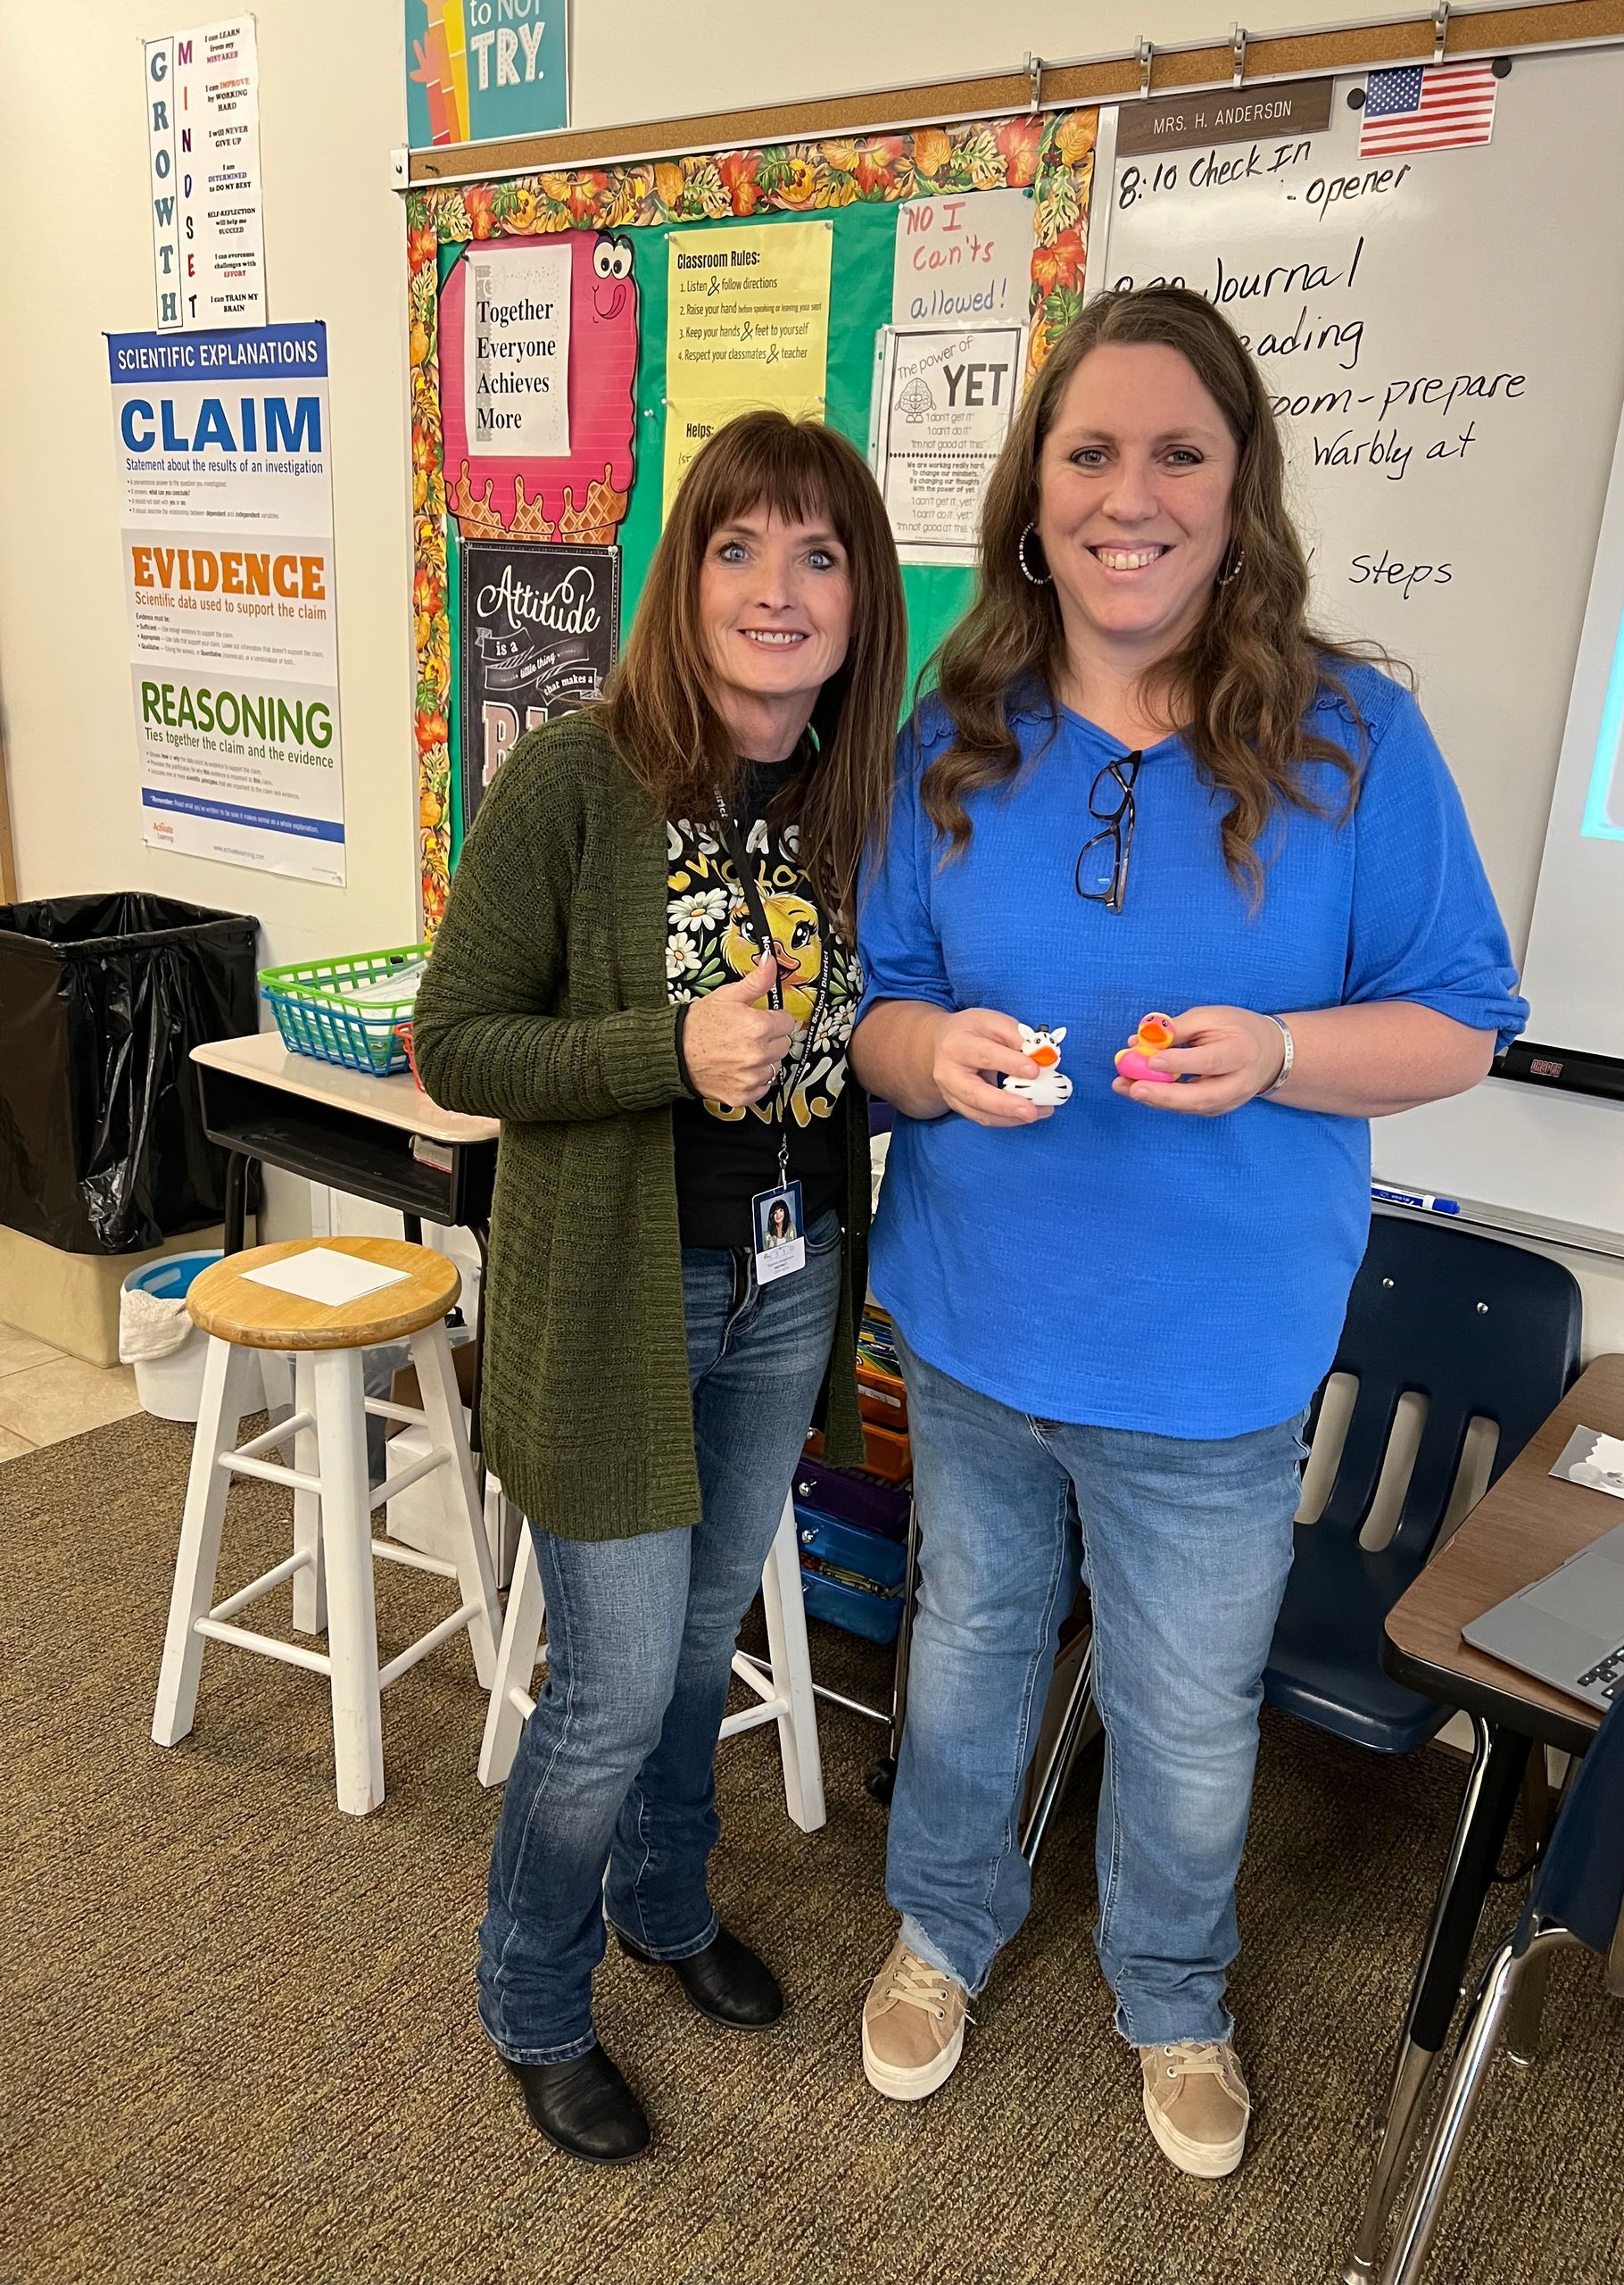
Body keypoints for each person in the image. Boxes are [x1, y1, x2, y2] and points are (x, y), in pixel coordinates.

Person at [849, 287, 1527, 2180]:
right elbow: (879, 1005)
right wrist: (929, 1048)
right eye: (1089, 451)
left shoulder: (1350, 737)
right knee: (972, 1639)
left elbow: (1459, 1012)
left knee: (1182, 1701)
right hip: (978, 1321)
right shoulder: (953, 731)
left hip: (1213, 1358)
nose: (1127, 494)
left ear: (1240, 493)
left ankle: (1172, 1983)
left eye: (1176, 454)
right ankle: (942, 1926)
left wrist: (1290, 1048)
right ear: (1033, 489)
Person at [412, 411, 906, 2165]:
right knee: (613, 1682)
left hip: (789, 1282)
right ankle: (532, 1991)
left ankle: (666, 1898)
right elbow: (456, 1040)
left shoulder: (862, 796)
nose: (778, 588)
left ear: (862, 598)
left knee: (700, 1642)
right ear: (682, 573)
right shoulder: (577, 779)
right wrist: (660, 1048)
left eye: (821, 552)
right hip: (615, 1297)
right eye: (739, 546)